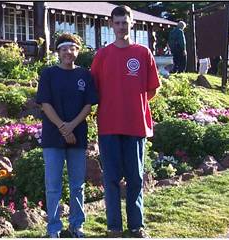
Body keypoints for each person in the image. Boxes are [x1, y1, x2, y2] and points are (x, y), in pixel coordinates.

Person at [90, 5, 161, 238]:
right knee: (110, 178)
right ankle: (114, 227)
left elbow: (151, 90)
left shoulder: (143, 53)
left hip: (135, 125)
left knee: (135, 178)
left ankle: (136, 225)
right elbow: (94, 89)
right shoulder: (102, 55)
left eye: (125, 22)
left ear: (132, 23)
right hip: (109, 126)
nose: (121, 27)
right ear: (112, 25)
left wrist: (132, 103)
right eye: (117, 22)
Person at [36, 33, 98, 238]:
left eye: (72, 48)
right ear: (58, 52)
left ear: (77, 51)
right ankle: (53, 228)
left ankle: (76, 225)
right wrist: (63, 127)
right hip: (53, 137)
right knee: (53, 185)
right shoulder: (48, 74)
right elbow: (45, 104)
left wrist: (71, 127)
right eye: (64, 48)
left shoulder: (85, 75)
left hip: (77, 136)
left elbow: (88, 106)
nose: (68, 52)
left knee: (77, 185)